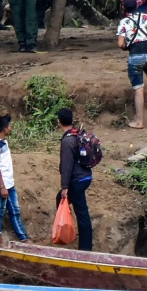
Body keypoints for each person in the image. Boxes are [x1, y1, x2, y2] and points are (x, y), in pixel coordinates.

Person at [115, 0, 147, 129]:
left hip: (135, 57)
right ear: (136, 5)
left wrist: (126, 47)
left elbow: (120, 43)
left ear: (124, 8)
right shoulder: (146, 17)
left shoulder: (123, 23)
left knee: (138, 88)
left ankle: (139, 121)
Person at [0, 114, 30, 247]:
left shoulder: (3, 142)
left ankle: (23, 237)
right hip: (1, 185)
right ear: (4, 129)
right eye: (9, 126)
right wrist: (2, 187)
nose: (11, 128)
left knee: (15, 210)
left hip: (8, 183)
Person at [56, 107, 93, 251]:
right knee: (61, 199)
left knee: (82, 213)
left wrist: (65, 187)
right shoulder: (77, 134)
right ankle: (66, 228)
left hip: (77, 181)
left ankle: (85, 248)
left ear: (59, 122)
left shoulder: (67, 141)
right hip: (86, 176)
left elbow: (66, 166)